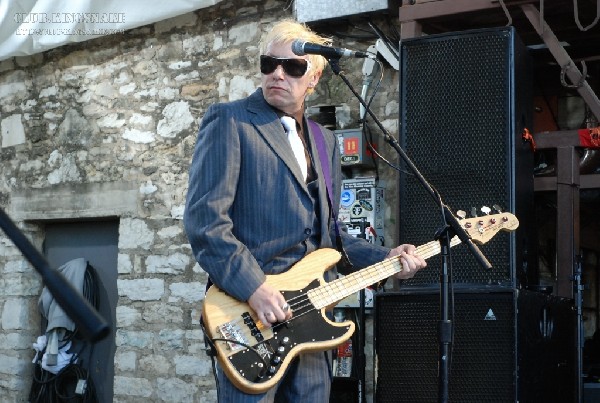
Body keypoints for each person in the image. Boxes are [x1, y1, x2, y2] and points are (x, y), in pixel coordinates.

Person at [183, 18, 427, 403]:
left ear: (312, 79)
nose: (278, 73)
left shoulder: (324, 141)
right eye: (269, 64)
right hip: (252, 315)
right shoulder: (230, 121)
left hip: (313, 318)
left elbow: (332, 237)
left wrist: (387, 257)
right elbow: (206, 223)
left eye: (293, 67)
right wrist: (255, 288)